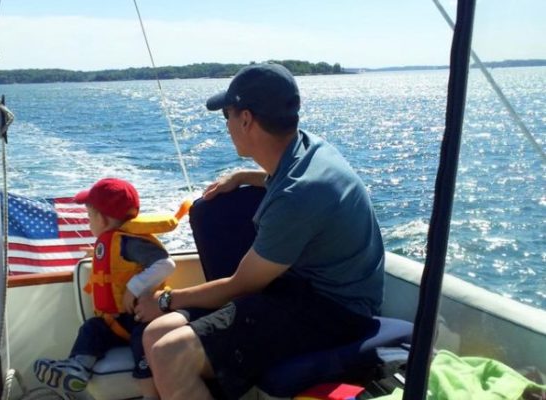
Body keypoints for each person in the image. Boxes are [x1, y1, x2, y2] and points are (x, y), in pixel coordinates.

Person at [134, 63, 386, 400]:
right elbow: (282, 181)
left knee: (170, 352)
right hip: (300, 289)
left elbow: (242, 285)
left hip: (336, 311)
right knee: (156, 335)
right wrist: (243, 175)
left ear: (246, 120)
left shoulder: (298, 196)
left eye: (227, 114)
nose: (226, 125)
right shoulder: (310, 149)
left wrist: (166, 299)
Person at [34, 178, 174, 399]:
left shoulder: (131, 243)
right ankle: (77, 367)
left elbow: (165, 264)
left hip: (143, 318)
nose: (88, 222)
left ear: (101, 218)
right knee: (92, 329)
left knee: (143, 343)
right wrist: (101, 256)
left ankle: (151, 395)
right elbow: (118, 262)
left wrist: (134, 288)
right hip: (117, 321)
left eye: (89, 217)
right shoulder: (113, 243)